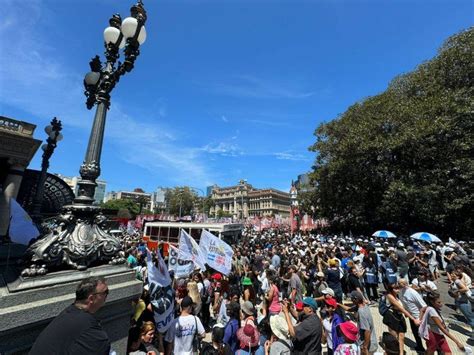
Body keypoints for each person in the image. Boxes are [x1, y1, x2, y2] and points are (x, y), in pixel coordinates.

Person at [30, 276, 111, 355]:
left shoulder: (69, 313)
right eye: (105, 292)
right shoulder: (88, 328)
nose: (107, 294)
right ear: (91, 299)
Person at [382, 283, 420, 355]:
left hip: (399, 317)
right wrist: (413, 319)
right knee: (394, 337)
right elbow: (401, 308)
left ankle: (401, 353)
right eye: (395, 289)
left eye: (398, 288)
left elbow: (403, 307)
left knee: (402, 336)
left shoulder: (398, 296)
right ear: (391, 290)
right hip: (392, 317)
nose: (398, 290)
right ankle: (392, 351)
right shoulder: (389, 296)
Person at [398, 279, 426, 353]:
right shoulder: (400, 291)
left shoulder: (413, 293)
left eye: (401, 283)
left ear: (406, 283)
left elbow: (424, 306)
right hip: (412, 317)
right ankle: (420, 347)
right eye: (399, 283)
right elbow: (404, 302)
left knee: (424, 334)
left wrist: (419, 319)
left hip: (419, 317)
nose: (399, 284)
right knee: (415, 332)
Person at [350, 291, 377, 355]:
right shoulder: (364, 306)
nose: (351, 301)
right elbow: (349, 309)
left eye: (352, 299)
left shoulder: (361, 312)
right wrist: (338, 304)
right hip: (372, 342)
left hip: (368, 345)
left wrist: (365, 347)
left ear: (355, 299)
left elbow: (367, 331)